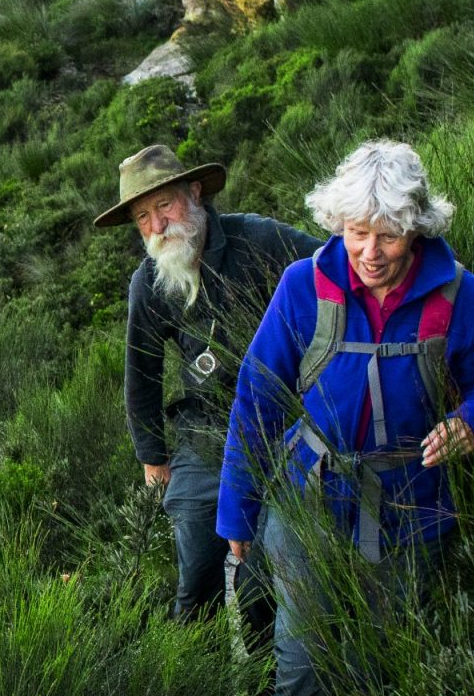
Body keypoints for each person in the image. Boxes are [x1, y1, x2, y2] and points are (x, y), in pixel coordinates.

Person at [216, 139, 474, 696]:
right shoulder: (305, 286)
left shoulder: (460, 297)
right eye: (357, 233)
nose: (371, 251)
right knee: (301, 658)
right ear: (337, 225)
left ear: (416, 230)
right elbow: (257, 399)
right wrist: (238, 510)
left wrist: (470, 421)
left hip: (413, 503)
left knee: (376, 658)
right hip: (310, 498)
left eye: (387, 235)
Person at [101, 144, 322, 629]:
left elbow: (331, 268)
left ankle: (269, 683)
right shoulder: (150, 283)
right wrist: (153, 458)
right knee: (197, 561)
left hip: (281, 421)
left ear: (194, 192)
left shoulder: (258, 240)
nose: (158, 226)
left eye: (164, 206)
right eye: (143, 217)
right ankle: (199, 688)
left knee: (264, 567)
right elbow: (141, 373)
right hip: (205, 434)